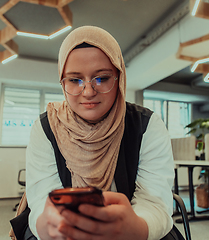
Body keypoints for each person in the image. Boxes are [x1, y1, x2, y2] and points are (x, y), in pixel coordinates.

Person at [25, 26, 176, 240]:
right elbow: (41, 202)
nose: (88, 92)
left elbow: (154, 203)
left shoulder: (146, 125)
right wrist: (51, 225)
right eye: (75, 80)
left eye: (102, 78)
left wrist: (136, 228)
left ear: (119, 77)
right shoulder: (46, 127)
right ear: (62, 82)